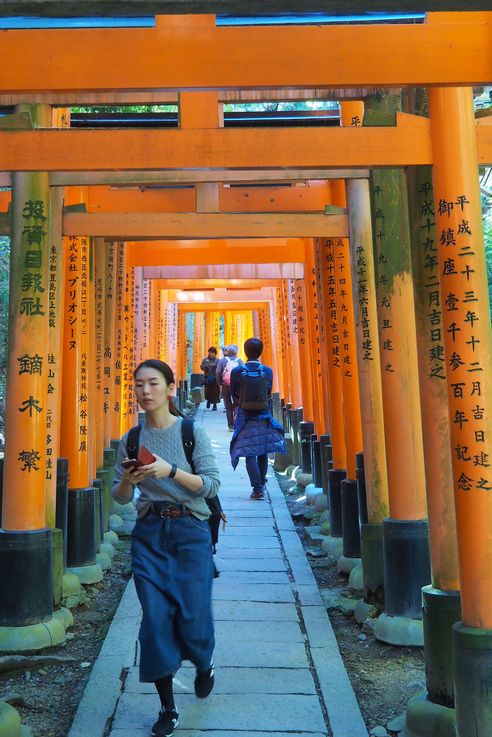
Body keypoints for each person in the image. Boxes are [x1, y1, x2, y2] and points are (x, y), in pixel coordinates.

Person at [112, 360, 220, 737]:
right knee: (155, 619)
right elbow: (120, 497)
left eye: (154, 383)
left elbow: (211, 485)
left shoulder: (190, 432)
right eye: (138, 384)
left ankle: (204, 663)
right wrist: (129, 479)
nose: (145, 391)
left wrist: (169, 470)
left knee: (192, 616)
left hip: (190, 531)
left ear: (171, 388)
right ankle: (167, 707)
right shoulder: (130, 438)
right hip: (149, 533)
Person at [229, 338, 286, 500]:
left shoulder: (237, 371)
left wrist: (242, 402)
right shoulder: (267, 371)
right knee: (263, 451)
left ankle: (257, 488)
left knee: (249, 453)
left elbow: (233, 392)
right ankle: (261, 482)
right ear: (260, 352)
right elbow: (268, 393)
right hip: (263, 414)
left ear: (245, 352)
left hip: (245, 416)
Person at [217, 344, 243, 431]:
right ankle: (236, 421)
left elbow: (218, 372)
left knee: (228, 406)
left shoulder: (223, 361)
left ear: (228, 351)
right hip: (237, 387)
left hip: (226, 386)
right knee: (237, 404)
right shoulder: (239, 361)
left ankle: (230, 426)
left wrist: (220, 383)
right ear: (236, 352)